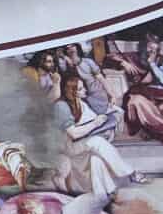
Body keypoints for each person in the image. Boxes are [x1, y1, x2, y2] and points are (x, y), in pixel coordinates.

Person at [52, 69, 133, 199]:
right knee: (97, 142)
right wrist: (95, 123)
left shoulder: (81, 104)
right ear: (71, 91)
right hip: (68, 146)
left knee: (96, 159)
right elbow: (74, 133)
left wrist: (107, 117)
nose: (85, 90)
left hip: (81, 144)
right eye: (80, 89)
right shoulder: (61, 106)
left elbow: (93, 121)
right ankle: (129, 172)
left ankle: (106, 193)